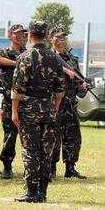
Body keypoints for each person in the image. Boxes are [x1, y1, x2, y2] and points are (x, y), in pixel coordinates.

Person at [12, 20, 65, 203]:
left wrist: (14, 112)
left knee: (30, 151)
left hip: (29, 110)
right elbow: (60, 89)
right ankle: (42, 192)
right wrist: (54, 109)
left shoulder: (26, 57)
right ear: (45, 34)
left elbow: (18, 89)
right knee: (45, 152)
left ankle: (32, 192)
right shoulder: (55, 57)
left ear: (30, 35)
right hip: (48, 109)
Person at [49, 26, 88, 179]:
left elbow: (77, 77)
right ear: (51, 39)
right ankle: (51, 167)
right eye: (59, 37)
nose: (62, 40)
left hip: (71, 100)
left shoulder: (72, 59)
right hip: (55, 100)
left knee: (73, 134)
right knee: (54, 134)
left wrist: (82, 83)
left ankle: (70, 167)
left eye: (64, 37)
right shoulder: (48, 56)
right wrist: (64, 70)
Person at [0, 24, 27, 179]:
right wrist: (18, 63)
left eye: (23, 34)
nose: (21, 36)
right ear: (10, 36)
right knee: (10, 134)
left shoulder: (28, 53)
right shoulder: (5, 52)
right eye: (18, 34)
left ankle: (30, 165)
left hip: (28, 100)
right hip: (10, 98)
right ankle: (7, 165)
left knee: (29, 135)